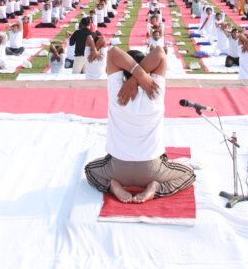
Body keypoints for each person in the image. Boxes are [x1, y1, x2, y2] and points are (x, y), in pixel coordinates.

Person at [83, 45, 195, 204]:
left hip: (118, 169)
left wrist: (134, 78)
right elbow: (159, 53)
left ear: (122, 72)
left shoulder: (117, 92)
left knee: (90, 170)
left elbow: (113, 52)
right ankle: (156, 188)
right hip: (152, 169)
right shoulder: (156, 91)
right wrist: (141, 76)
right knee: (189, 173)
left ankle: (113, 186)